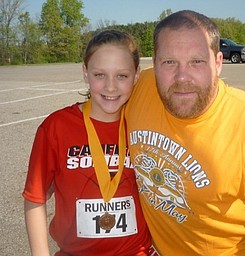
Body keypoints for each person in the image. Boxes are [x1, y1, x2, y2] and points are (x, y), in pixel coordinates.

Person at [125, 10, 245, 255]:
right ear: (155, 62)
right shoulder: (139, 88)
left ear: (218, 63)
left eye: (197, 61)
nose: (182, 77)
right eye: (169, 62)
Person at [23, 30, 151, 256]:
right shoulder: (57, 127)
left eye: (122, 76)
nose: (110, 87)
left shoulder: (144, 125)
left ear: (137, 75)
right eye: (100, 75)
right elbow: (35, 197)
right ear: (85, 72)